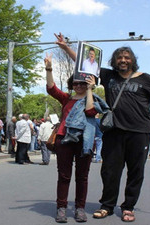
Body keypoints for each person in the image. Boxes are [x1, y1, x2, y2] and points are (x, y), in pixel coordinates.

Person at [55, 33, 150, 222]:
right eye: (119, 58)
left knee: (135, 170)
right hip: (113, 131)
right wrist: (66, 48)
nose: (123, 60)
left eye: (127, 57)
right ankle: (107, 205)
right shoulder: (109, 76)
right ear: (114, 61)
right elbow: (83, 63)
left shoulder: (146, 78)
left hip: (139, 132)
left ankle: (128, 207)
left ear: (132, 60)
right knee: (109, 170)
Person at [45, 51, 107, 223]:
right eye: (76, 83)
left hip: (85, 141)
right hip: (64, 139)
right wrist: (49, 69)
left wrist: (90, 89)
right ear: (71, 85)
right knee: (64, 176)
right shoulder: (66, 99)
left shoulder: (92, 99)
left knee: (82, 177)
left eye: (82, 83)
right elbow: (51, 89)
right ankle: (61, 208)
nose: (78, 86)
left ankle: (80, 208)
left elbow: (89, 111)